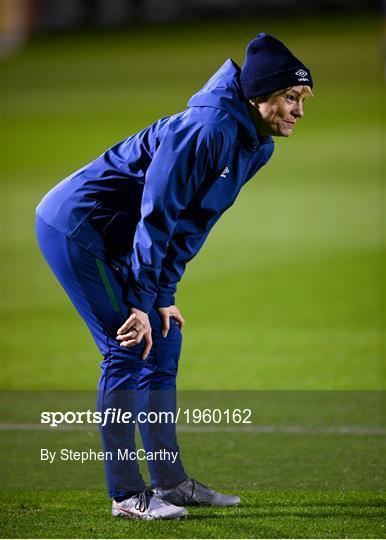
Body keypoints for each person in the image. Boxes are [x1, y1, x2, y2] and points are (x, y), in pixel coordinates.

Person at [36, 32, 313, 520]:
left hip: (121, 236)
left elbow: (192, 223)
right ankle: (126, 495)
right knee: (126, 347)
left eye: (303, 100)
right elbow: (158, 214)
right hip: (78, 228)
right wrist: (140, 303)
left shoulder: (256, 145)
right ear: (258, 94)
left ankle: (171, 481)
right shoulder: (206, 130)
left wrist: (161, 296)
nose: (298, 111)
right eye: (290, 97)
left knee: (164, 340)